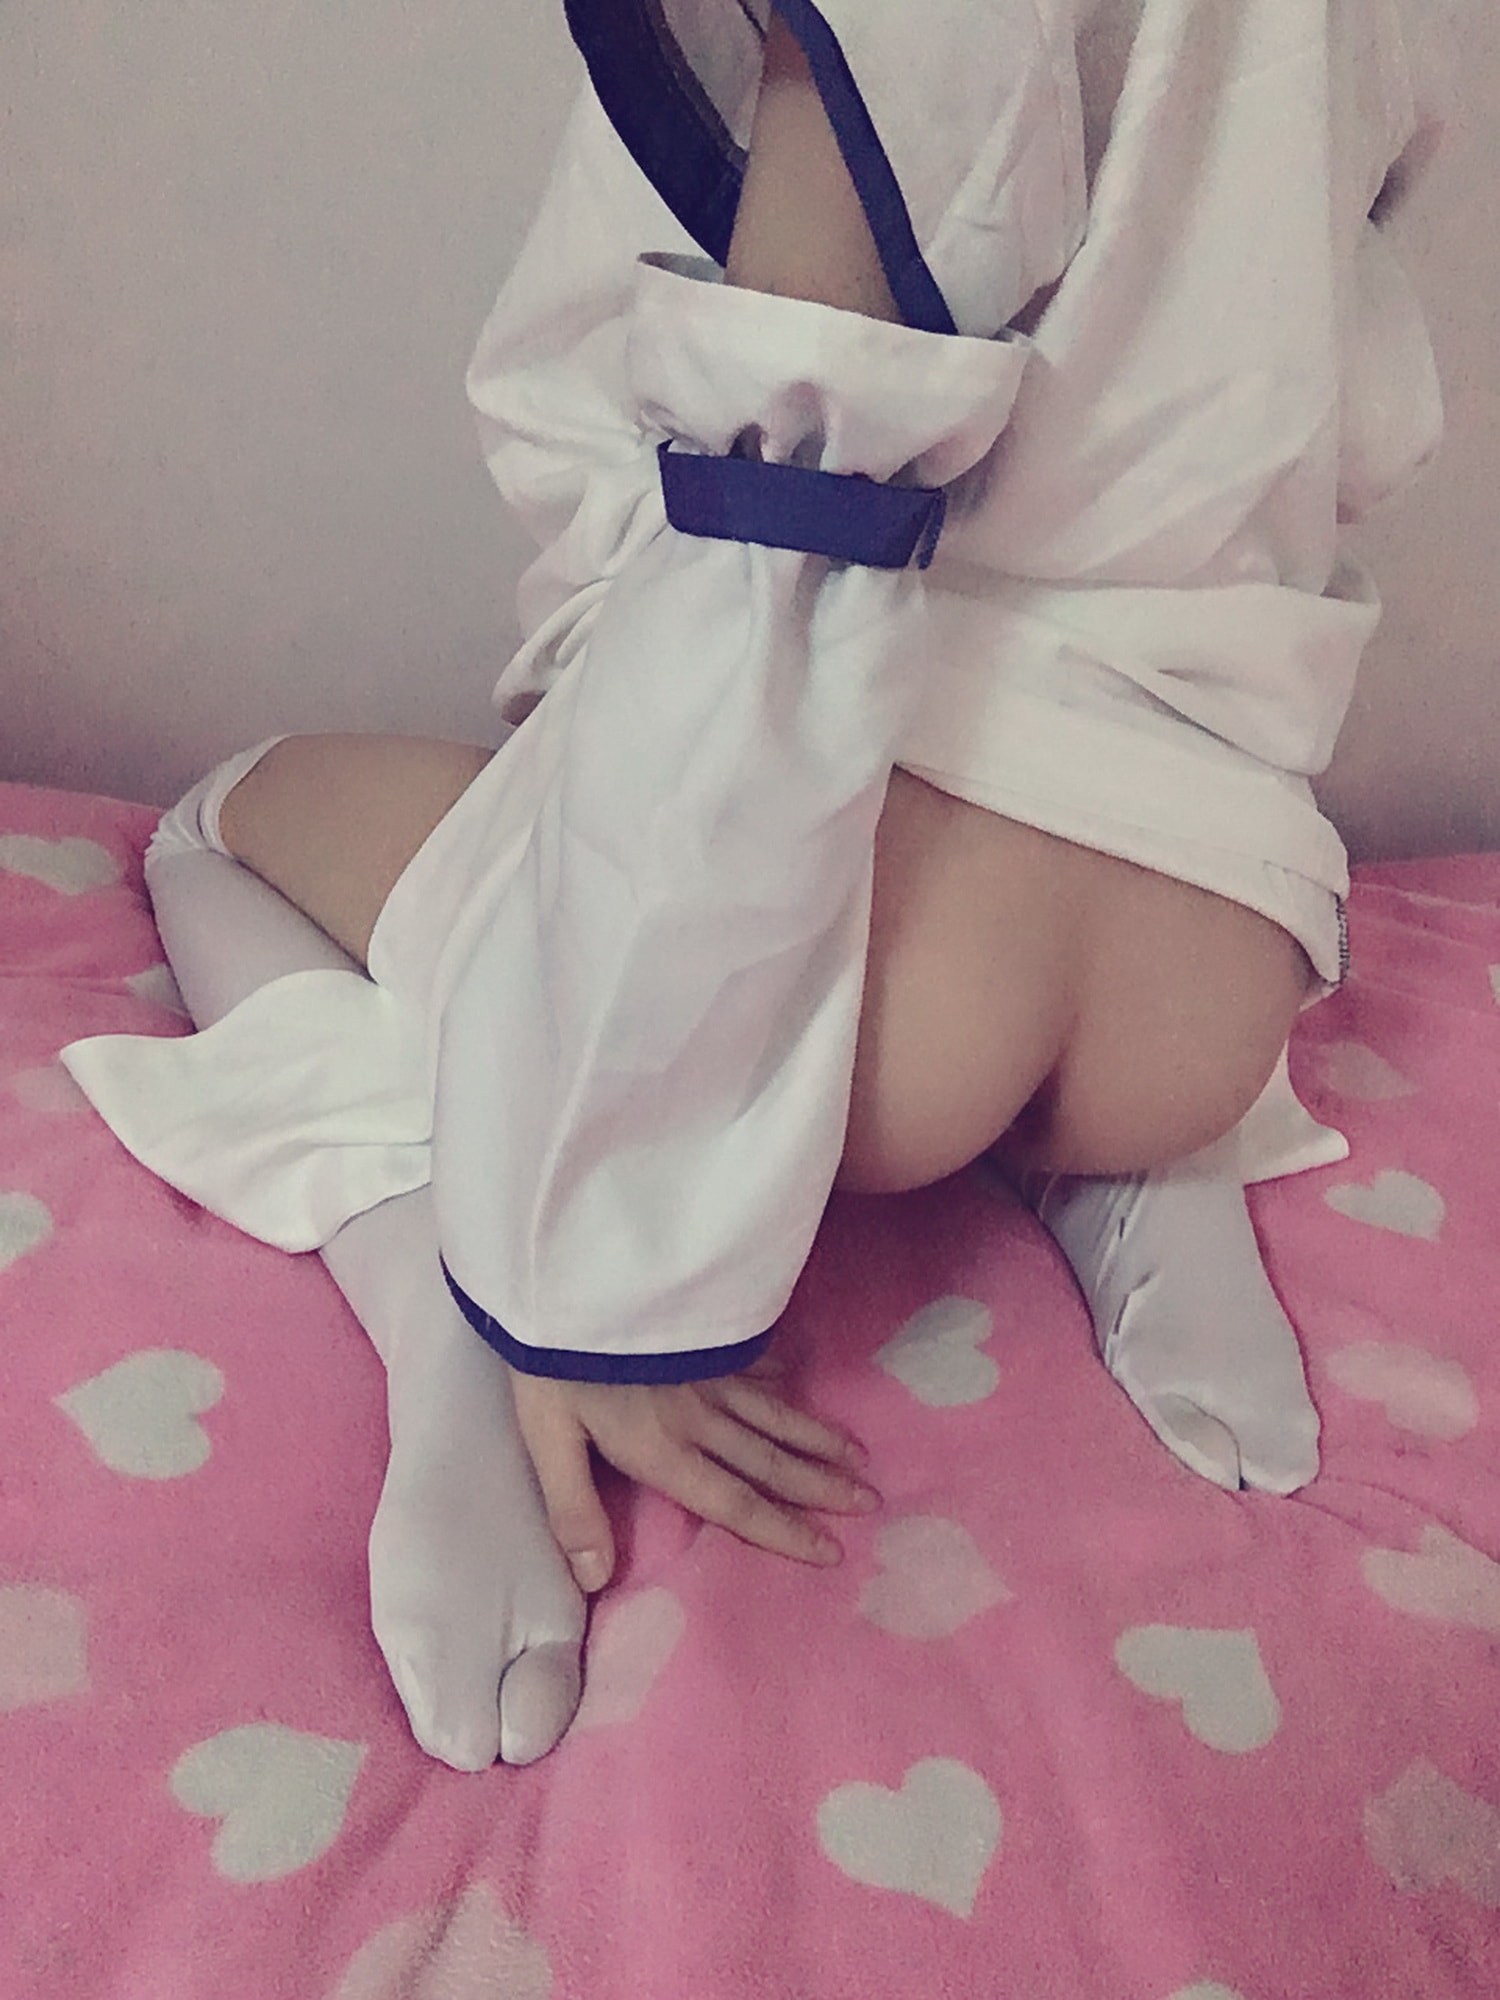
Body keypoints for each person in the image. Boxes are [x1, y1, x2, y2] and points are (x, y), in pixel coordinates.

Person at [64, 0, 1450, 1770]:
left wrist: (581, 1286)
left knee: (213, 827)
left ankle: (435, 1317)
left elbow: (768, 564)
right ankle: (1135, 1173)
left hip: (902, 984)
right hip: (1214, 944)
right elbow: (1306, 422)